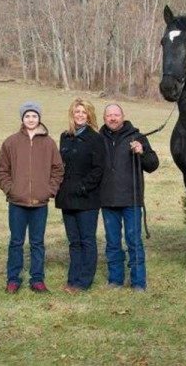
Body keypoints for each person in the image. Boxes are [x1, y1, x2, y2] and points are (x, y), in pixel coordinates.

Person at [0, 101, 64, 294]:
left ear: (39, 118)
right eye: (27, 116)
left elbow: (58, 169)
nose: (31, 119)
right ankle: (13, 279)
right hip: (17, 202)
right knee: (16, 241)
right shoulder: (11, 142)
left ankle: (37, 279)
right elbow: (1, 170)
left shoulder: (49, 143)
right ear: (22, 119)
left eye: (34, 116)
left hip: (40, 203)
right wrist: (11, 189)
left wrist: (49, 190)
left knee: (37, 242)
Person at [99, 104, 159, 292]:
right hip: (108, 200)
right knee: (112, 243)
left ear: (123, 117)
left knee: (134, 241)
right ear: (104, 118)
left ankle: (138, 282)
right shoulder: (98, 139)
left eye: (116, 115)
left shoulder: (137, 137)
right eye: (109, 115)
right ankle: (115, 280)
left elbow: (153, 164)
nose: (113, 118)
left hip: (131, 200)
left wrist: (142, 152)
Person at [55, 99, 105, 294]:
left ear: (89, 115)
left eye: (84, 112)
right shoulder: (65, 137)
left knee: (87, 240)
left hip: (87, 198)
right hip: (67, 197)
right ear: (72, 114)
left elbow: (99, 169)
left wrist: (84, 187)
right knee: (73, 241)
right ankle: (72, 279)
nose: (80, 115)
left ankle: (84, 281)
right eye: (77, 111)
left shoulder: (95, 138)